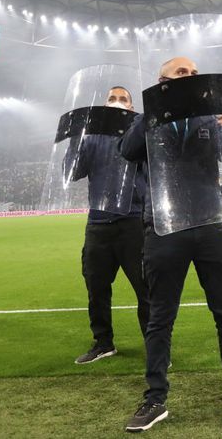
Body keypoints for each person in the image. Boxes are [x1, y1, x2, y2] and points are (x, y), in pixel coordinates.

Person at [119, 56, 222, 432]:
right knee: (160, 319)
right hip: (164, 228)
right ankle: (155, 398)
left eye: (193, 73)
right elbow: (127, 150)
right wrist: (154, 107)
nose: (190, 76)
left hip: (211, 224)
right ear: (162, 82)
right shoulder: (150, 119)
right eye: (180, 73)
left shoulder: (212, 117)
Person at [67, 86, 150, 365]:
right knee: (96, 287)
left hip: (134, 222)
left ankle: (155, 345)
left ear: (131, 107)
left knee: (146, 289)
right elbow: (71, 173)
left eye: (122, 99)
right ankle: (103, 343)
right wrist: (76, 139)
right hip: (99, 223)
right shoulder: (90, 137)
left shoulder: (141, 132)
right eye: (112, 99)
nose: (116, 102)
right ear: (104, 105)